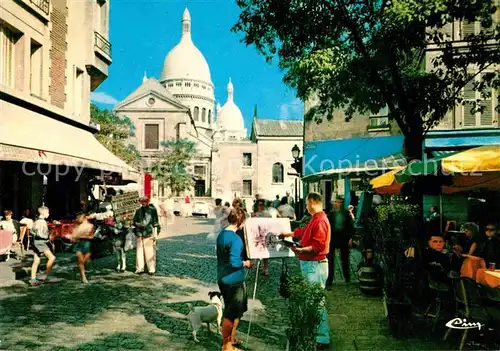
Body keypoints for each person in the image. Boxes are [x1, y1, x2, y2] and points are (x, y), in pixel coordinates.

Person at [280, 192, 331, 350]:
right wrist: (288, 234)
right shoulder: (315, 219)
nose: (306, 207)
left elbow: (317, 247)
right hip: (311, 265)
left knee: (317, 302)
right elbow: (303, 231)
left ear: (313, 203)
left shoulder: (321, 220)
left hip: (315, 265)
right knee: (312, 301)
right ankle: (317, 334)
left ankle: (322, 338)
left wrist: (299, 249)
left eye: (308, 204)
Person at [216, 207, 253, 351]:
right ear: (240, 221)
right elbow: (235, 262)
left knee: (234, 312)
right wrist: (246, 263)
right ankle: (226, 346)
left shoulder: (222, 234)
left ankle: (230, 340)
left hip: (223, 278)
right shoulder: (236, 239)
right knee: (231, 314)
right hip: (233, 281)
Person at [326, 197, 354, 286]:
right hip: (333, 238)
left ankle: (347, 278)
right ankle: (329, 279)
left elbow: (350, 226)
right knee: (330, 260)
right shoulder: (331, 214)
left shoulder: (346, 214)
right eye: (336, 202)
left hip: (343, 238)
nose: (338, 204)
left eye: (340, 202)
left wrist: (350, 238)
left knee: (345, 259)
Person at [133, 196, 161, 275]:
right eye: (141, 201)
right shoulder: (138, 211)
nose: (143, 203)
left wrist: (155, 234)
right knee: (139, 251)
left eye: (145, 201)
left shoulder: (152, 210)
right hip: (139, 232)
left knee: (149, 251)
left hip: (148, 232)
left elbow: (155, 223)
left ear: (147, 201)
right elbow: (134, 221)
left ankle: (151, 269)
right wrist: (136, 223)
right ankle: (139, 268)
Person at [29, 206, 56, 286]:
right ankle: (45, 276)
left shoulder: (37, 221)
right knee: (52, 258)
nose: (48, 214)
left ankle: (33, 279)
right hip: (40, 242)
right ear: (44, 213)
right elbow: (41, 234)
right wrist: (47, 237)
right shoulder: (42, 222)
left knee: (36, 261)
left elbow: (32, 231)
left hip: (35, 242)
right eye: (48, 212)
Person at [71, 212, 94, 283]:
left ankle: (84, 267)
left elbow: (91, 236)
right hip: (78, 245)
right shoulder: (77, 226)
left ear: (83, 217)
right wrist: (74, 238)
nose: (77, 219)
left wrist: (80, 236)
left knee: (84, 261)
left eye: (78, 217)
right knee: (81, 261)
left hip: (87, 244)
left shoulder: (90, 226)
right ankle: (83, 277)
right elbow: (73, 237)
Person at [252, 199, 272, 276]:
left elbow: (270, 223)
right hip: (257, 235)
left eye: (262, 205)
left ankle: (266, 269)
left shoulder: (267, 214)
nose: (261, 206)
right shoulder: (255, 214)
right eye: (259, 205)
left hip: (265, 235)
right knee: (257, 251)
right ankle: (259, 266)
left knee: (265, 252)